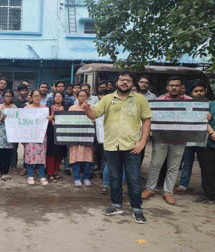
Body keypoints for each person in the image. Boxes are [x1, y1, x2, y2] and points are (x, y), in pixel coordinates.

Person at [82, 71, 152, 224]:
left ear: (133, 83)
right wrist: (87, 109)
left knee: (133, 178)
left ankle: (137, 209)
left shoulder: (140, 100)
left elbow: (146, 120)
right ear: (117, 82)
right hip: (112, 145)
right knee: (114, 177)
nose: (124, 82)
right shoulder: (107, 99)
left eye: (128, 80)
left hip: (132, 146)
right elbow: (94, 115)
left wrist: (142, 141)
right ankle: (116, 205)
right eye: (122, 80)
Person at [142, 76, 192, 205]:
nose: (174, 88)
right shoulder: (159, 101)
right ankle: (149, 189)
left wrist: (204, 115)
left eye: (177, 85)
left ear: (181, 87)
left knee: (173, 168)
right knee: (155, 165)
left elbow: (196, 118)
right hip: (161, 139)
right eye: (172, 85)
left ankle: (168, 192)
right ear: (167, 87)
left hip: (180, 141)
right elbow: (150, 118)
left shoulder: (190, 102)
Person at [175, 83, 208, 193]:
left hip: (204, 140)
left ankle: (206, 187)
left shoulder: (209, 105)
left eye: (201, 90)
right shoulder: (186, 105)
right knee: (187, 164)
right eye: (196, 91)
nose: (199, 93)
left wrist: (209, 117)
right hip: (188, 140)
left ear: (205, 91)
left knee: (205, 166)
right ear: (191, 93)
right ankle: (183, 185)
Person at [69, 90, 94, 187]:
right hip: (75, 137)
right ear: (77, 97)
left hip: (87, 137)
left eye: (84, 96)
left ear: (87, 97)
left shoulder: (91, 108)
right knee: (75, 158)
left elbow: (94, 120)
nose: (83, 97)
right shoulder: (72, 108)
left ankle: (86, 178)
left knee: (88, 158)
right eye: (81, 96)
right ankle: (76, 178)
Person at [24, 90, 48, 186]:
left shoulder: (45, 108)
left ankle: (42, 176)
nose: (37, 98)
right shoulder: (26, 108)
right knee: (30, 155)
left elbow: (46, 121)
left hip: (41, 135)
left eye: (38, 96)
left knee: (41, 156)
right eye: (35, 96)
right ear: (31, 97)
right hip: (30, 135)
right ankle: (30, 175)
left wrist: (49, 118)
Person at [46, 92, 68, 183]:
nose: (58, 98)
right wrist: (49, 118)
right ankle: (50, 173)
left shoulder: (66, 108)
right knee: (51, 153)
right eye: (56, 96)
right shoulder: (48, 108)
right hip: (51, 132)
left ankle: (56, 171)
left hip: (62, 132)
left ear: (63, 98)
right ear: (53, 98)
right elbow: (44, 118)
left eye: (60, 96)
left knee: (59, 153)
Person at [196, 99, 215, 203]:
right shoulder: (210, 104)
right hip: (211, 142)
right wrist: (212, 133)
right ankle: (209, 194)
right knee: (208, 170)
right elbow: (203, 119)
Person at [0, 90, 17, 181]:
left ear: (12, 98)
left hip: (11, 132)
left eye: (9, 96)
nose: (7, 98)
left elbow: (17, 119)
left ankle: (6, 170)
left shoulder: (14, 107)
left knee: (9, 153)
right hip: (1, 132)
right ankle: (2, 171)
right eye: (6, 96)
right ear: (3, 97)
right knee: (2, 153)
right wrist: (1, 118)